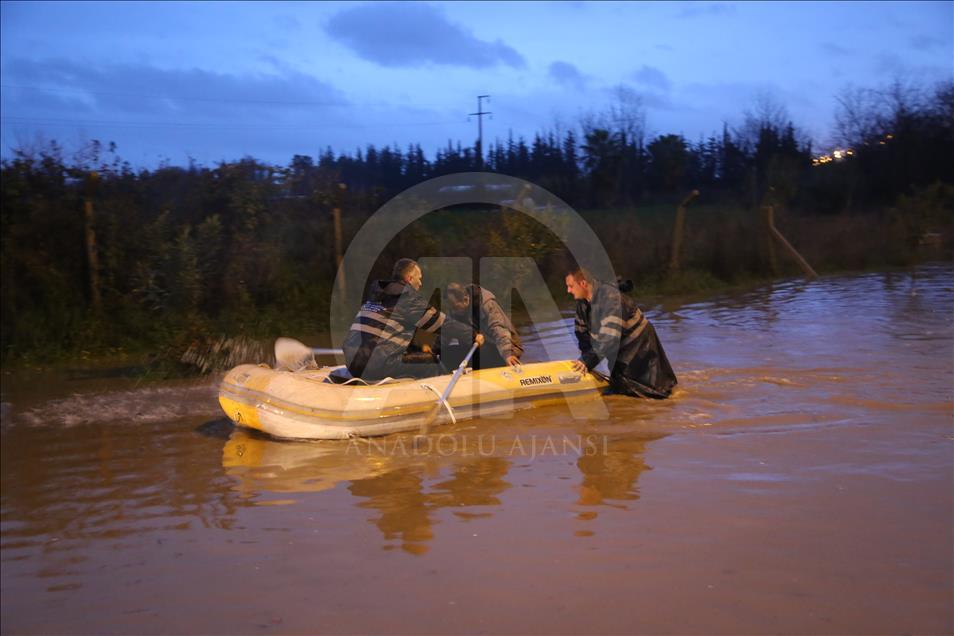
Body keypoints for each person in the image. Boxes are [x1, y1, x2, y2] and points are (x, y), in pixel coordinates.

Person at [343, 259, 482, 381]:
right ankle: (443, 402)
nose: (420, 283)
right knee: (431, 363)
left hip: (353, 362)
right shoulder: (407, 297)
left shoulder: (378, 294)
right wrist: (472, 334)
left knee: (416, 356)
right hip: (377, 364)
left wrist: (418, 347)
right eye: (419, 278)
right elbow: (442, 323)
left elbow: (388, 332)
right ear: (410, 279)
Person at [566, 268, 677, 399]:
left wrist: (587, 361)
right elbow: (582, 334)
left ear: (583, 283)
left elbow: (609, 338)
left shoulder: (611, 299)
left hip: (641, 349)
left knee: (655, 393)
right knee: (621, 390)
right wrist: (584, 362)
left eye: (571, 286)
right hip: (619, 351)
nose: (568, 290)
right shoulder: (582, 304)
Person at [444, 282, 523, 369]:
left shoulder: (487, 305)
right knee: (447, 353)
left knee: (480, 353)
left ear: (465, 299)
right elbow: (449, 331)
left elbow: (499, 329)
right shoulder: (455, 311)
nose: (453, 311)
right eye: (451, 308)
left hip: (504, 347)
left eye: (455, 307)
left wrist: (507, 353)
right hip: (478, 347)